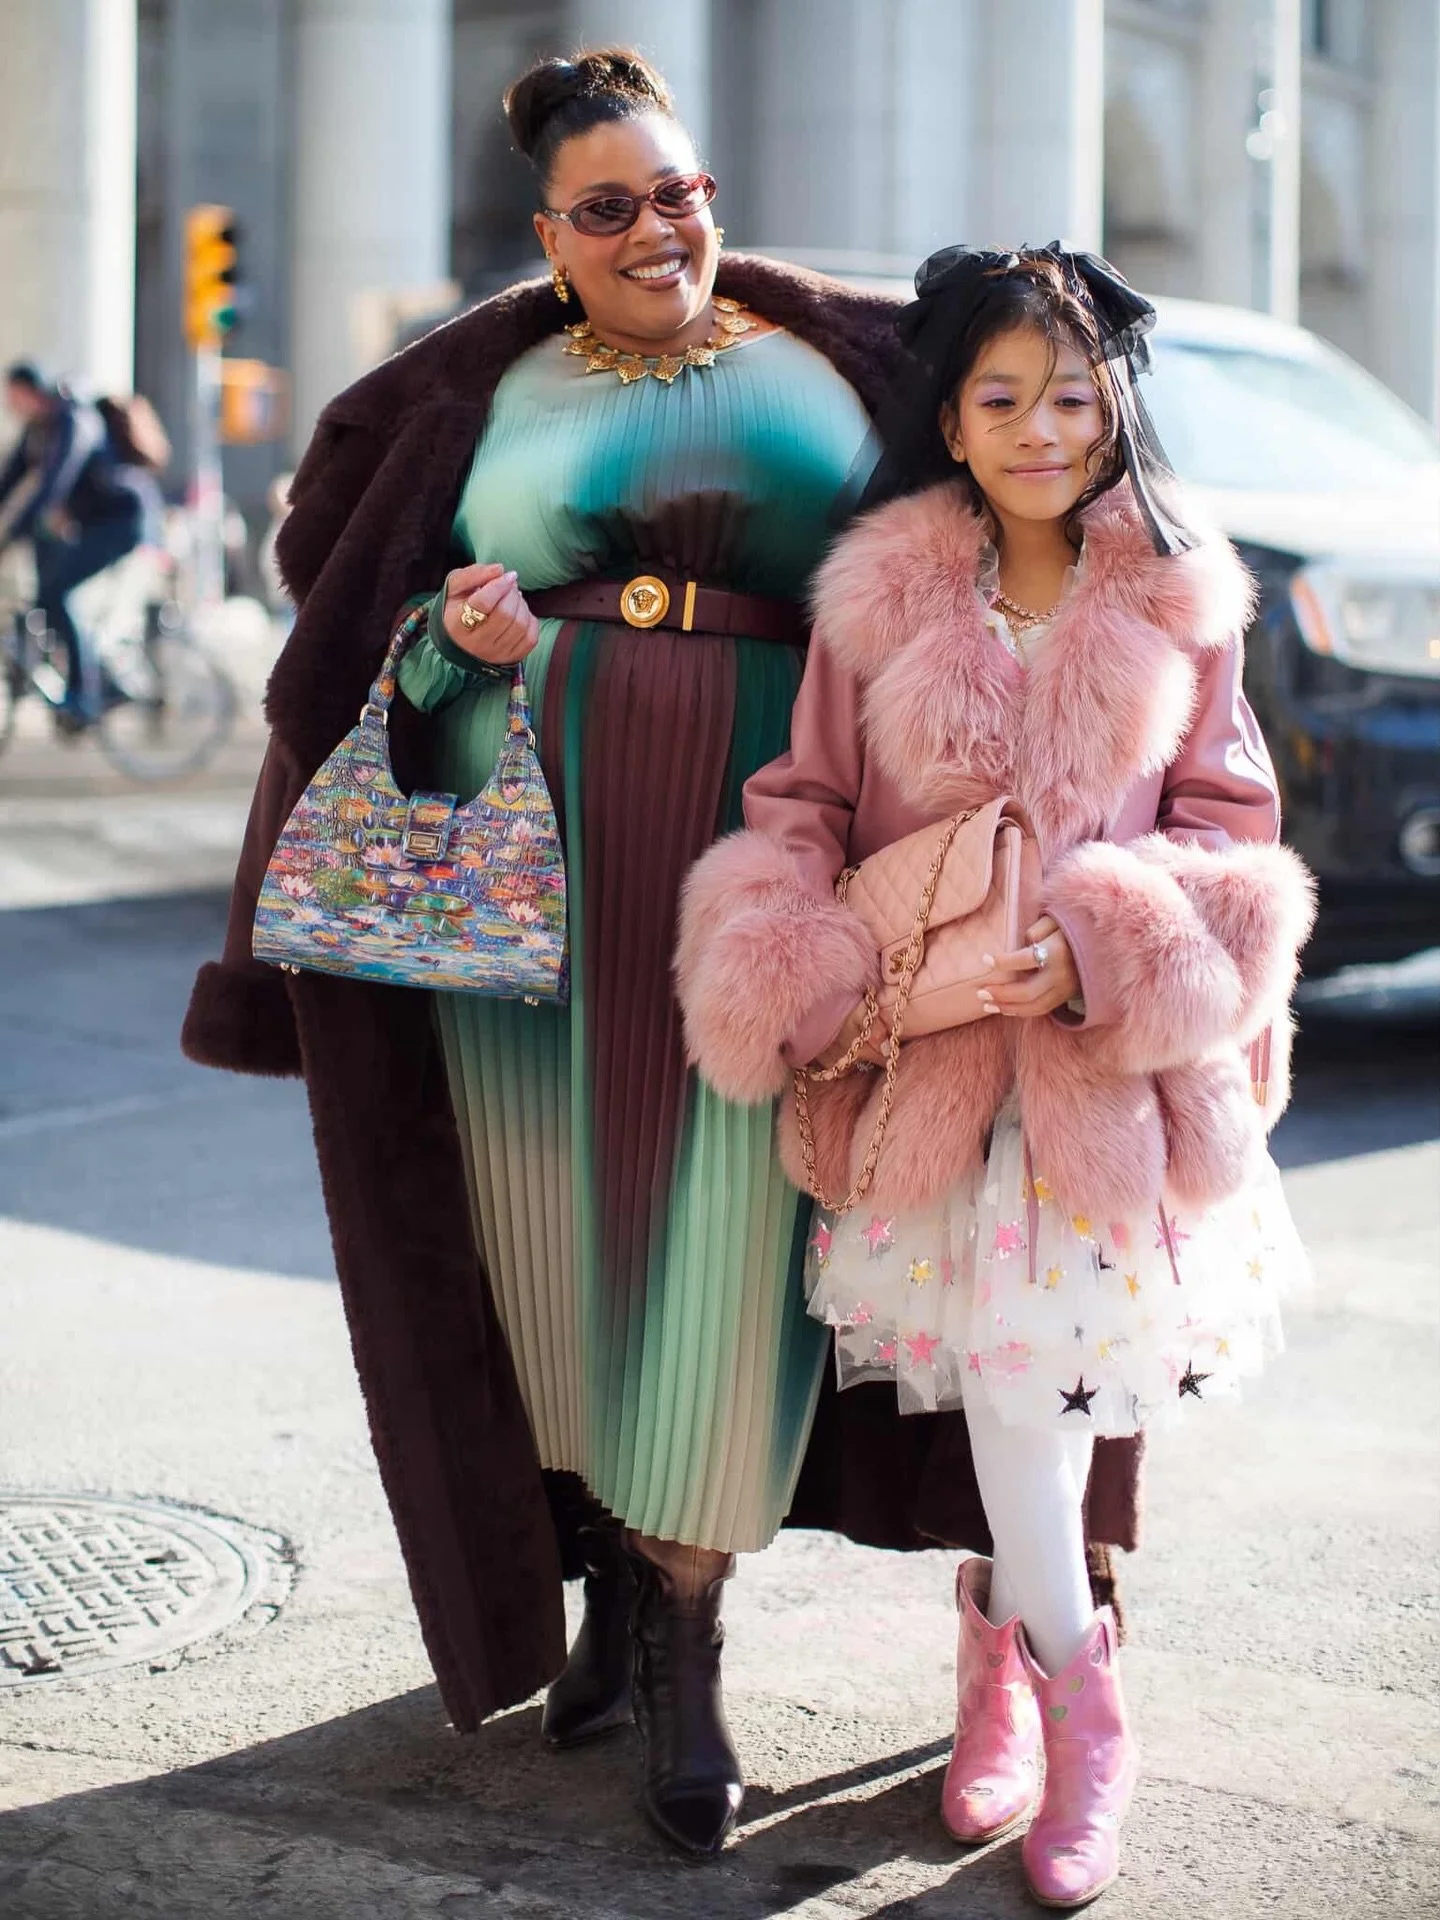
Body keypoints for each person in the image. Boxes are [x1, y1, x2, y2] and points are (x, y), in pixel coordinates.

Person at [183, 57, 1143, 1860]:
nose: (655, 229)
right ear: (549, 238)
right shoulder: (491, 396)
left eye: (676, 191)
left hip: (765, 865)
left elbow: (991, 523)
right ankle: (615, 1602)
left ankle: (691, 1645)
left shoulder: (827, 368)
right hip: (528, 885)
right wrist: (462, 648)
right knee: (549, 1254)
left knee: (717, 1235)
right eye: (607, 208)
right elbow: (395, 683)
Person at [677, 246, 1313, 1907]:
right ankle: (1022, 1677)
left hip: (1101, 1090)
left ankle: (1063, 1706)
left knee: (1030, 1417)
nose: (1043, 427)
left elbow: (1231, 833)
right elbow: (801, 805)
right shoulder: (879, 595)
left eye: (1073, 393)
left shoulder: (1183, 595)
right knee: (1010, 1415)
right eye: (1004, 396)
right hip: (935, 1076)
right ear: (952, 418)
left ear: (1117, 407)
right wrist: (795, 959)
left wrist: (1106, 949)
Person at [0, 362, 147, 728]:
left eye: (11, 394)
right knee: (44, 597)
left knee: (57, 592)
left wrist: (10, 534)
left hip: (122, 521)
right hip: (92, 524)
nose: (8, 403)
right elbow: (8, 482)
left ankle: (84, 697)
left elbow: (52, 488)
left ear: (28, 390)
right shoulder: (38, 429)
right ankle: (103, 683)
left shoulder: (72, 422)